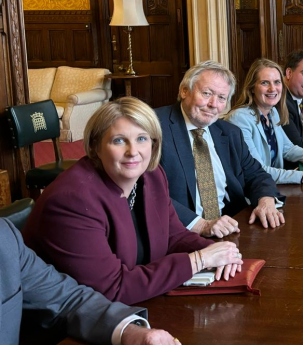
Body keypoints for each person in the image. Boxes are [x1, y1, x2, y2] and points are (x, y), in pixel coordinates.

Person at [23, 98, 243, 305]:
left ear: (153, 144)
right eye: (119, 140)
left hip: (133, 305)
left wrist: (220, 252)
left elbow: (173, 235)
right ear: (95, 147)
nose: (133, 152)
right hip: (62, 328)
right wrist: (199, 260)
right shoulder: (72, 201)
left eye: (142, 138)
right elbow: (112, 288)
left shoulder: (152, 176)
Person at [2, 218, 182, 345]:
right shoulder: (70, 198)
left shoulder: (4, 237)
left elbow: (66, 299)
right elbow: (116, 285)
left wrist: (129, 331)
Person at [156, 61, 284, 237]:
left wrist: (266, 201)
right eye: (207, 93)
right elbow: (149, 191)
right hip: (180, 234)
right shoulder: (154, 128)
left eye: (222, 98)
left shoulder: (229, 132)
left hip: (231, 228)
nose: (213, 104)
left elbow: (256, 174)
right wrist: (201, 225)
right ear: (184, 91)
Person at [225, 59, 303, 185]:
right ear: (252, 88)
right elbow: (256, 170)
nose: (273, 89)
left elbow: (288, 150)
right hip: (253, 195)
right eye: (265, 83)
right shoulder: (239, 119)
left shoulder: (272, 113)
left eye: (277, 82)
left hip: (273, 187)